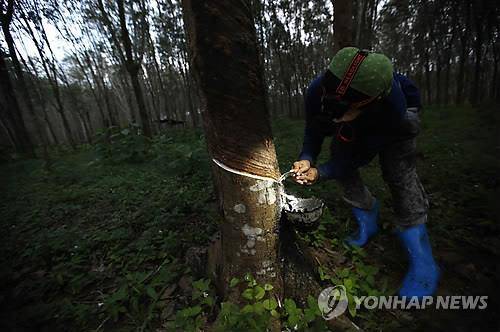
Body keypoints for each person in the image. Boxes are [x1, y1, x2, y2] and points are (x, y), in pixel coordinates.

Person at [291, 47, 439, 297]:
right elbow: (314, 130)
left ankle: (422, 258)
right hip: (361, 118)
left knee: (398, 173)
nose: (334, 112)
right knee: (340, 156)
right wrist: (307, 158)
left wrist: (322, 172)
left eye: (343, 108)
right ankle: (367, 216)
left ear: (367, 102)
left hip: (395, 126)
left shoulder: (393, 107)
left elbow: (358, 157)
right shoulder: (319, 90)